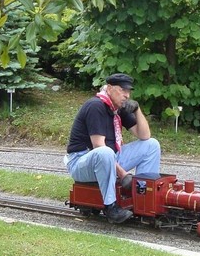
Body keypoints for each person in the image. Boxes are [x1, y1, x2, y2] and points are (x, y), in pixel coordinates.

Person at [64, 73, 161, 224]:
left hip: (110, 158)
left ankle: (143, 199)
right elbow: (98, 146)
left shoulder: (117, 108)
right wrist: (124, 175)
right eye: (123, 90)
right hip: (81, 163)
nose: (127, 95)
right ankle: (111, 207)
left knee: (152, 145)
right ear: (109, 88)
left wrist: (137, 110)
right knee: (105, 152)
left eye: (129, 91)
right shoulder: (95, 106)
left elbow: (144, 135)